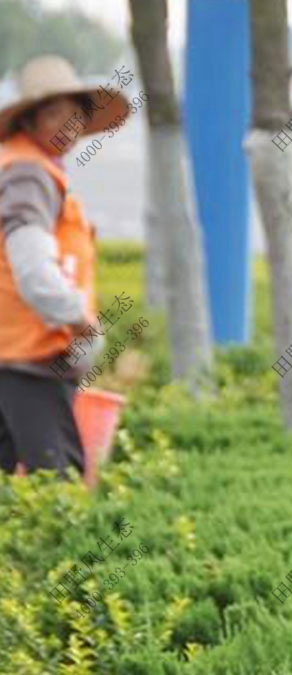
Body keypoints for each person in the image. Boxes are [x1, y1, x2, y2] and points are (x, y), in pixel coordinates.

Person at [0, 55, 130, 480]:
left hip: (15, 353)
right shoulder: (28, 175)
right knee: (58, 485)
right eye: (55, 113)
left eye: (75, 112)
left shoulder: (27, 167)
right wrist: (80, 323)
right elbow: (33, 267)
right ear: (30, 122)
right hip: (31, 357)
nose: (69, 123)